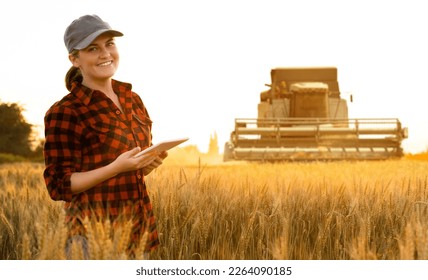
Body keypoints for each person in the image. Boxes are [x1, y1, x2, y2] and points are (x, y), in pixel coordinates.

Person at [43, 14, 167, 258]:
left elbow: (132, 167)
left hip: (137, 231)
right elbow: (58, 186)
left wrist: (146, 164)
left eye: (109, 43)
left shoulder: (133, 100)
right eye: (92, 48)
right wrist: (116, 168)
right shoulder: (65, 111)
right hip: (90, 239)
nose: (105, 54)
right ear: (74, 59)